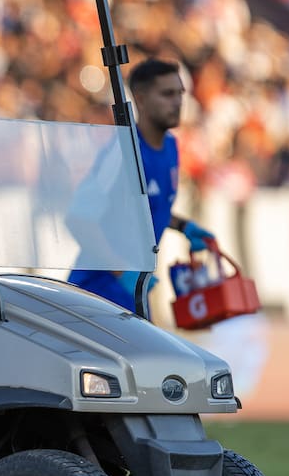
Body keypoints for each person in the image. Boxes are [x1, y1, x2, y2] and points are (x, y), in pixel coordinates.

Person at [68, 58, 215, 312]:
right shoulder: (123, 151)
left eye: (180, 93)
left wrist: (183, 226)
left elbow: (144, 207)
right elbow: (79, 219)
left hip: (134, 294)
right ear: (141, 99)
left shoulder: (170, 147)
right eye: (167, 94)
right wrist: (123, 272)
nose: (178, 102)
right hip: (98, 295)